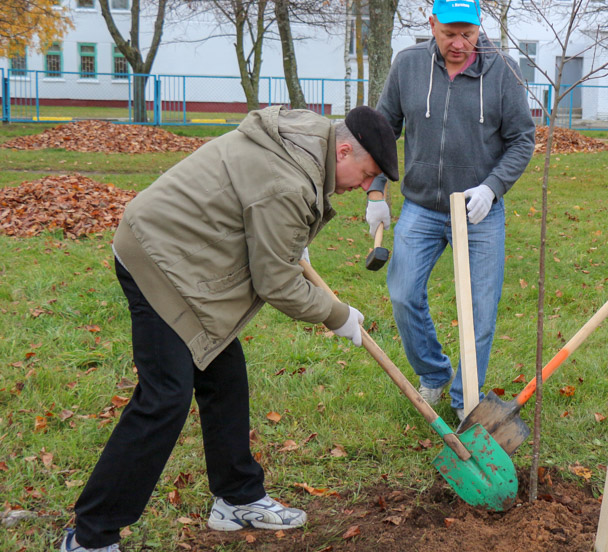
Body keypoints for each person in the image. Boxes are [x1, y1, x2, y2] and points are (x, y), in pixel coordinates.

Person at [60, 105, 399, 552]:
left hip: (190, 257)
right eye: (366, 173)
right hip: (159, 258)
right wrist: (337, 315)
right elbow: (276, 281)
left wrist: (290, 240)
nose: (363, 187)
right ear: (343, 150)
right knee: (165, 397)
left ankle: (237, 497)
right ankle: (89, 536)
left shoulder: (306, 138)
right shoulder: (288, 181)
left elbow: (260, 216)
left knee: (224, 378)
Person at [365, 0, 535, 423]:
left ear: (480, 28)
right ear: (431, 27)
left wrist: (492, 187)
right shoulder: (407, 66)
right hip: (421, 207)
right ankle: (435, 373)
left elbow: (522, 140)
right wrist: (376, 191)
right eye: (448, 33)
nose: (458, 44)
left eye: (468, 33)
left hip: (479, 212)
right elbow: (384, 131)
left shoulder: (505, 73)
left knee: (479, 313)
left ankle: (465, 402)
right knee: (403, 294)